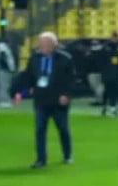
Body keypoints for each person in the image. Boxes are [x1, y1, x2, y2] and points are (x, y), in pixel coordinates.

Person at [13, 32, 76, 168]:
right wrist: (21, 92)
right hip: (41, 99)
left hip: (58, 100)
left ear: (54, 44)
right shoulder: (35, 58)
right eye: (41, 43)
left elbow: (70, 79)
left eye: (46, 43)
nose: (43, 46)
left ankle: (67, 155)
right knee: (40, 130)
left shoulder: (65, 59)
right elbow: (28, 76)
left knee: (63, 128)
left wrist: (66, 95)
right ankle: (41, 159)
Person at [101, 33, 118, 117]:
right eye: (114, 38)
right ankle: (105, 106)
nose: (115, 39)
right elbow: (104, 59)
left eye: (117, 38)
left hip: (116, 72)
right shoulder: (106, 47)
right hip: (107, 72)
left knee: (114, 90)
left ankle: (113, 107)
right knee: (107, 90)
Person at [0, 36, 16, 107]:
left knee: (5, 86)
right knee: (4, 86)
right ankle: (3, 101)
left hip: (4, 69)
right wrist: (9, 68)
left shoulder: (3, 48)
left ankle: (5, 100)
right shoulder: (3, 48)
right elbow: (4, 59)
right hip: (4, 70)